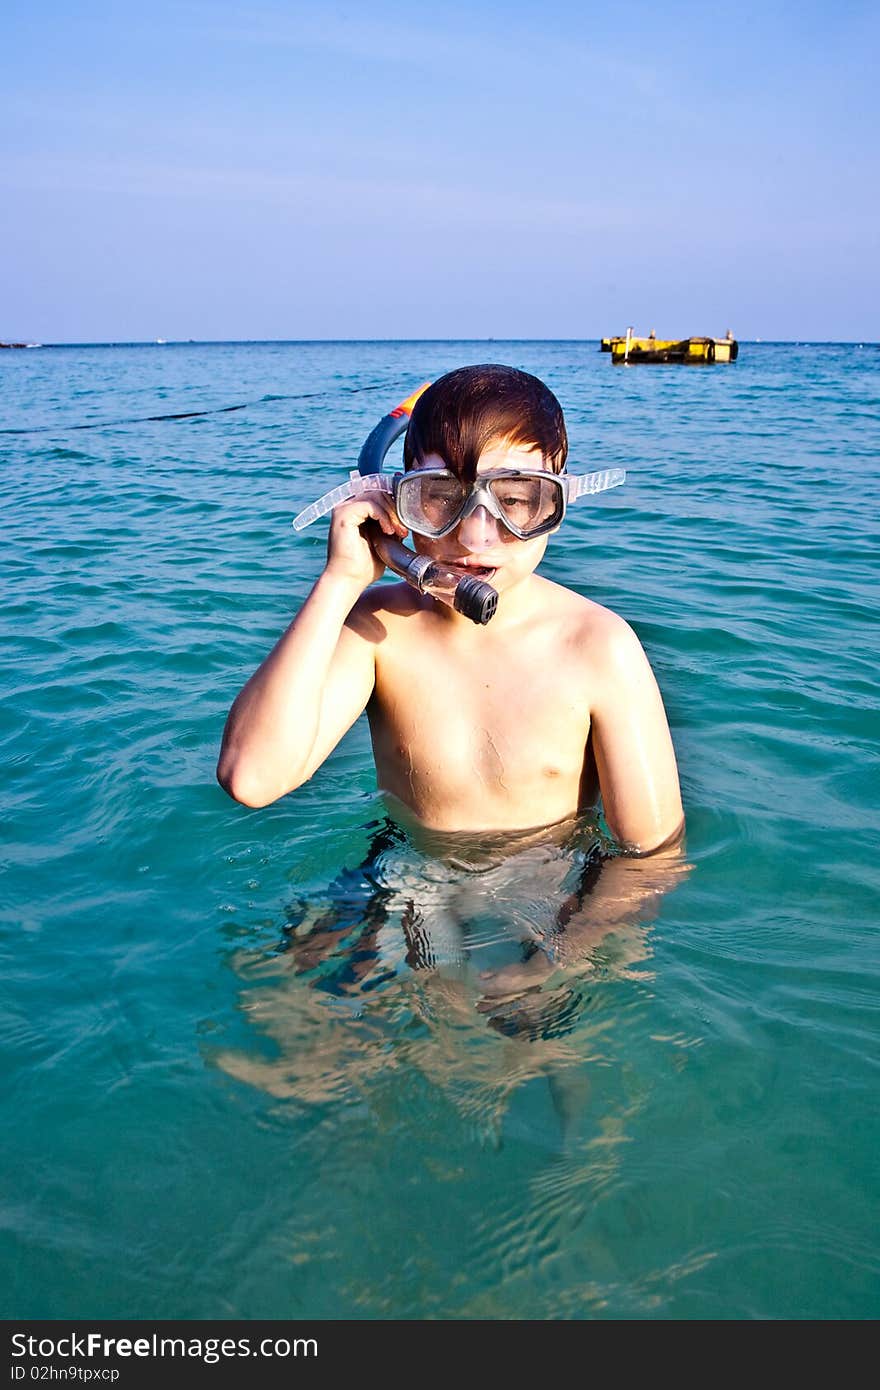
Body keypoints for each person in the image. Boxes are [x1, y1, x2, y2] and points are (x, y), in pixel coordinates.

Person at [217, 363, 684, 859]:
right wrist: (340, 580)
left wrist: (577, 936)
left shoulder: (598, 647)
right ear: (397, 503)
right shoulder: (379, 632)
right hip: (404, 880)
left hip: (551, 895)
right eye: (440, 498)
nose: (476, 537)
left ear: (558, 500)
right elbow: (252, 778)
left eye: (517, 499)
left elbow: (651, 859)